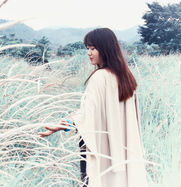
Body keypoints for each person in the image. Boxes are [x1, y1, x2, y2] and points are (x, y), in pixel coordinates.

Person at [38, 28, 148, 187]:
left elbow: (87, 115)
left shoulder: (99, 77)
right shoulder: (127, 77)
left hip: (102, 148)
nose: (89, 53)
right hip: (123, 149)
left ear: (105, 48)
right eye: (87, 49)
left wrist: (62, 126)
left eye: (93, 48)